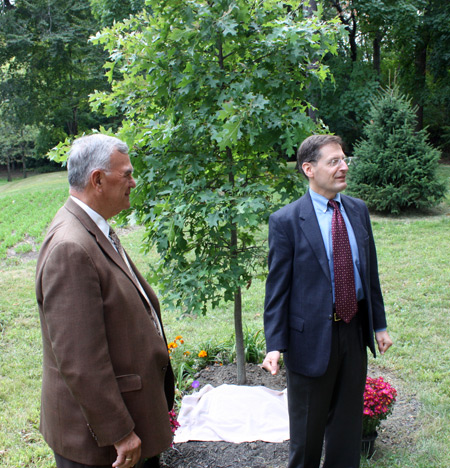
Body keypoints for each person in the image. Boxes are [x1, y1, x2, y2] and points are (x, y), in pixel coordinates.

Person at [36, 134, 174, 468]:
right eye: (126, 174)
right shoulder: (72, 246)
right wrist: (119, 432)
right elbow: (80, 360)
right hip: (101, 445)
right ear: (97, 179)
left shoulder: (93, 228)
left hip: (124, 420)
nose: (133, 181)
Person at [262, 135, 392, 468]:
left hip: (353, 331)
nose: (344, 167)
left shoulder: (358, 210)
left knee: (347, 431)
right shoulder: (286, 221)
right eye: (334, 161)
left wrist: (379, 325)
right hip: (309, 342)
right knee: (306, 437)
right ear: (309, 168)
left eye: (344, 159)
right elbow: (277, 289)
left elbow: (369, 272)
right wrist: (274, 345)